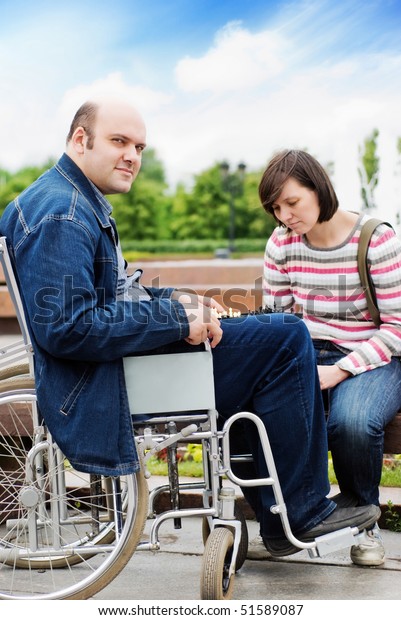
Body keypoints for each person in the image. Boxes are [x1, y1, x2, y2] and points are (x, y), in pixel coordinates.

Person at [0, 100, 379, 558]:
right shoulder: (62, 214)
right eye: (119, 142)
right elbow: (68, 327)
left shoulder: (68, 200)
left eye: (139, 146)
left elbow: (117, 294)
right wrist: (179, 319)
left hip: (122, 366)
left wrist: (180, 301)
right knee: (286, 337)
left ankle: (280, 519)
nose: (133, 157)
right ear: (81, 140)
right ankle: (302, 511)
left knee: (264, 336)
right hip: (110, 382)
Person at [259, 148, 401, 565]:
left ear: (319, 189)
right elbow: (280, 321)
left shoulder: (376, 238)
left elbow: (396, 328)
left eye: (292, 202)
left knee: (353, 422)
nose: (284, 215)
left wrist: (339, 370)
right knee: (261, 415)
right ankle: (289, 522)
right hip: (307, 352)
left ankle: (364, 522)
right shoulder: (282, 243)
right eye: (276, 207)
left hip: (374, 355)